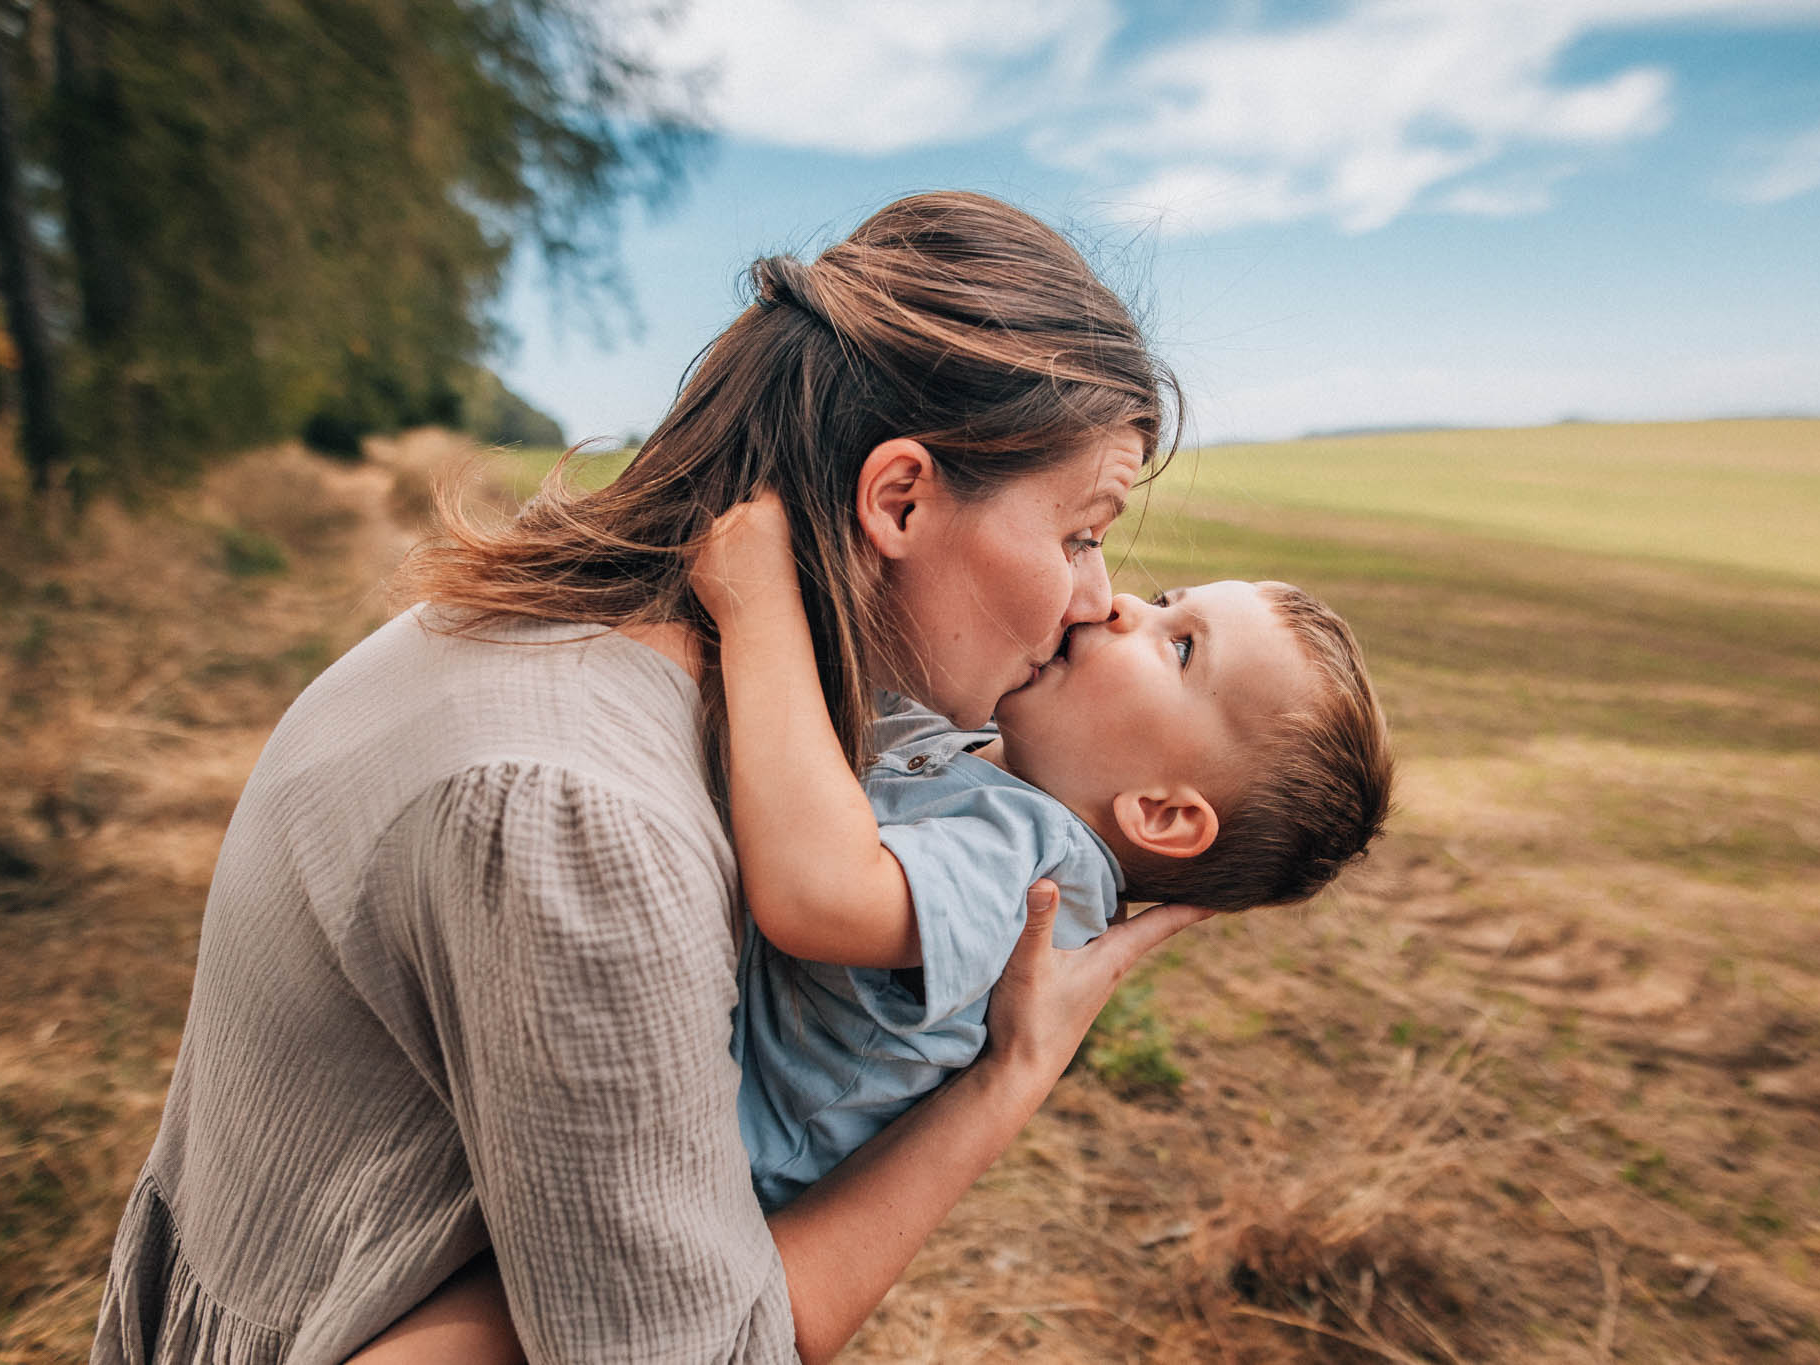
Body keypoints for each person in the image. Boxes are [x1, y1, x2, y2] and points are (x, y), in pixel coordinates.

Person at [89, 191, 1210, 1365]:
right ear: (900, 499)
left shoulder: (546, 636)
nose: (1096, 599)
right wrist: (1007, 1079)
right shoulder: (580, 817)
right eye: (1082, 532)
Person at [692, 493, 1393, 1209]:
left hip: (710, 1158)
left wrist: (759, 606)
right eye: (1160, 599)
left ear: (1160, 812)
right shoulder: (993, 755)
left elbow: (817, 894)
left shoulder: (1035, 878)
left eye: (1180, 647)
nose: (1120, 603)